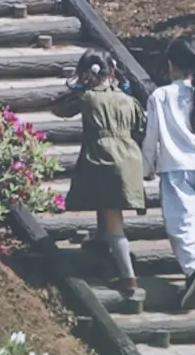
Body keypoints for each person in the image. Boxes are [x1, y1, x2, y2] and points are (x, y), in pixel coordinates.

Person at [141, 37, 195, 312]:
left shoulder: (160, 96)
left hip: (175, 168)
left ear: (172, 66)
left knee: (180, 221)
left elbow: (151, 136)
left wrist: (146, 167)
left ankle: (194, 270)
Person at [50, 49, 145, 302]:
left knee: (114, 219)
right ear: (111, 71)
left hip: (103, 158)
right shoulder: (128, 99)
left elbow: (57, 109)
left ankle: (128, 277)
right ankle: (102, 244)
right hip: (130, 158)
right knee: (108, 207)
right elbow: (141, 125)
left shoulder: (88, 97)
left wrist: (78, 88)